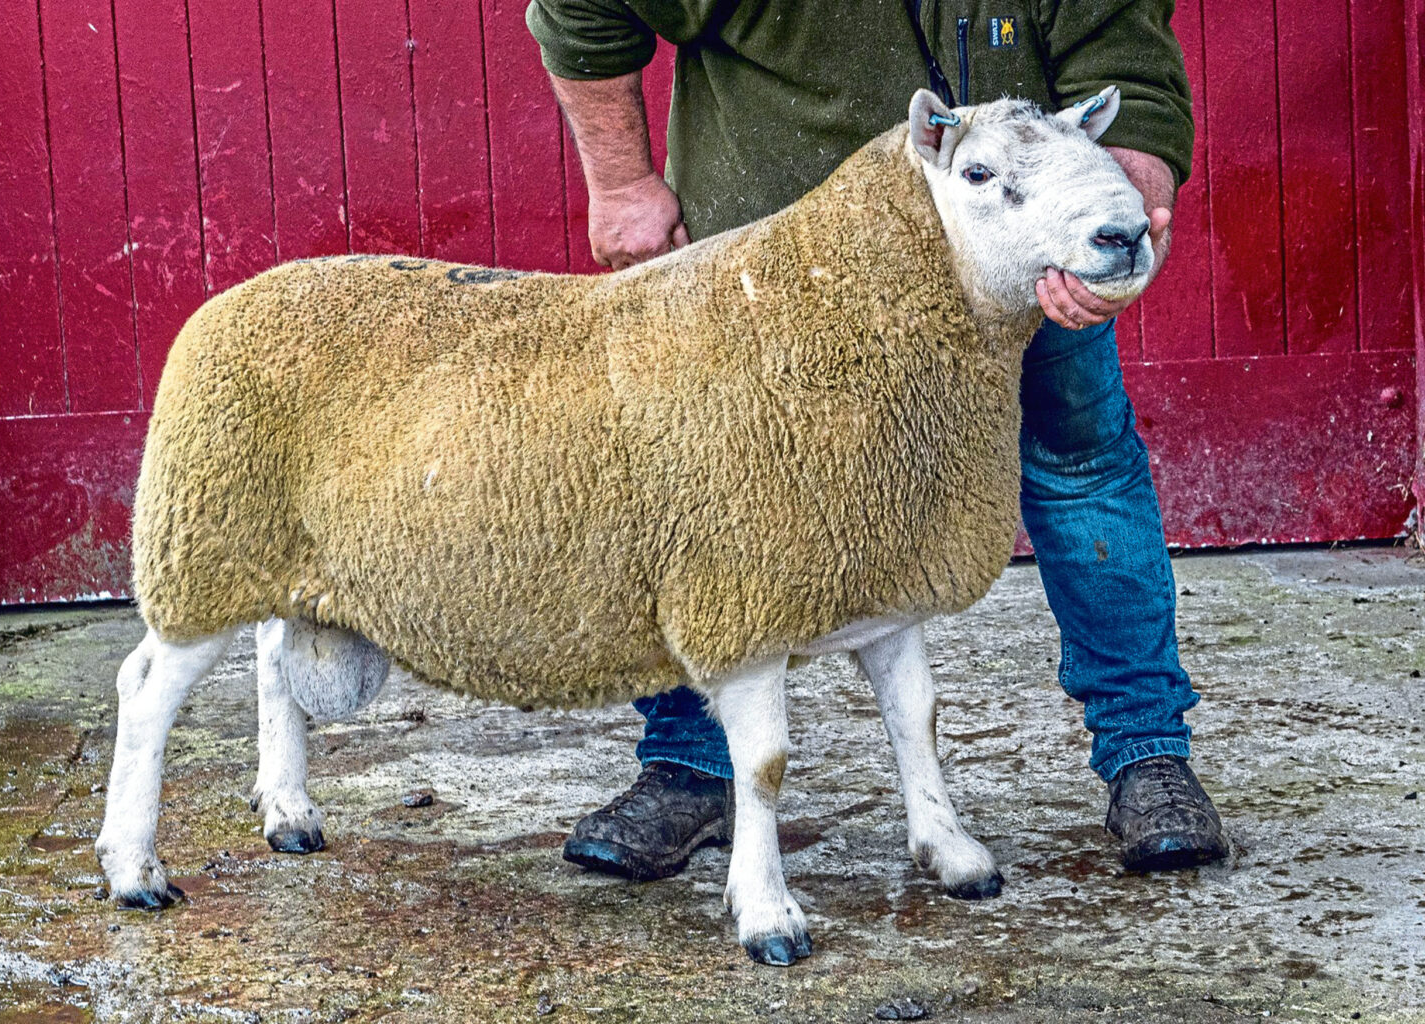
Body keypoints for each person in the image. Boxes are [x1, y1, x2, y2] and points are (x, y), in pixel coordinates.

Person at [526, 0, 1228, 880]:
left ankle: (1146, 753)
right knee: (703, 491)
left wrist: (1122, 218)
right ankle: (689, 768)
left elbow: (1125, 55)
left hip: (1023, 249)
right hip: (772, 272)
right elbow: (584, 8)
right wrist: (624, 182)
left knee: (1078, 460)